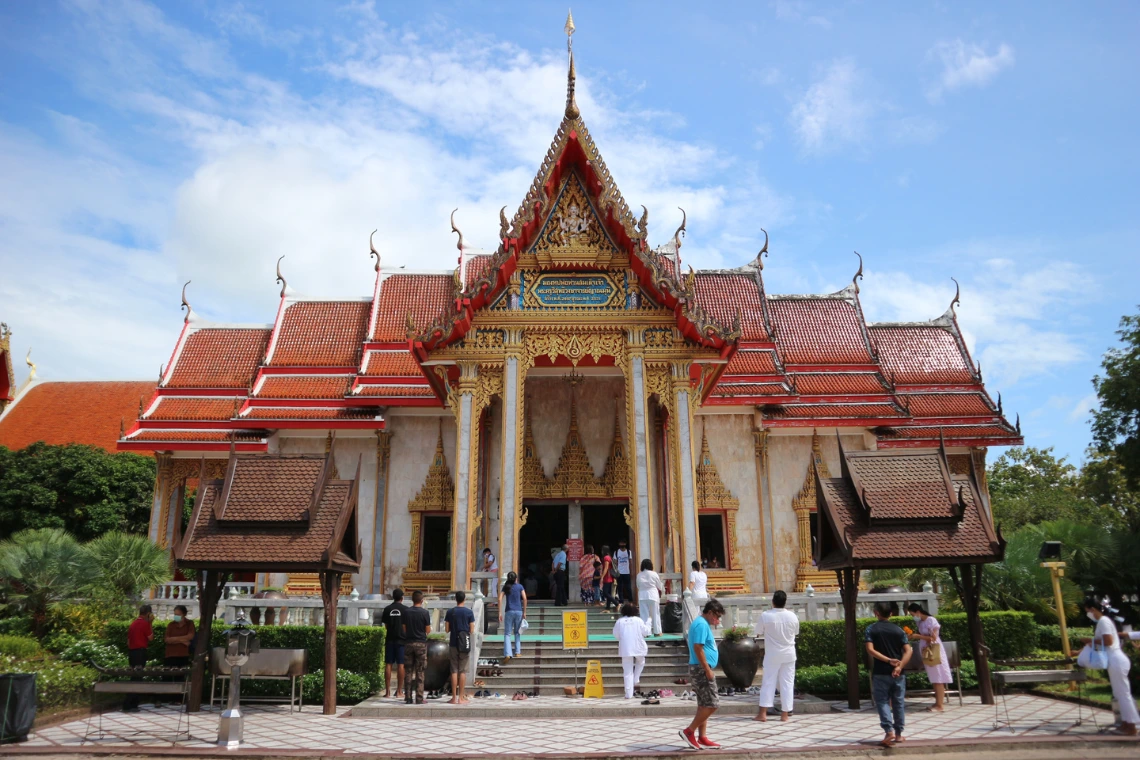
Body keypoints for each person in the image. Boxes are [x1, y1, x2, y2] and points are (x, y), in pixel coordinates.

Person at [1084, 598, 1138, 735]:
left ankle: (1131, 726)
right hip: (1114, 660)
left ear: (1092, 609)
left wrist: (1090, 640)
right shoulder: (1104, 622)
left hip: (1116, 660)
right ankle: (1126, 723)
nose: (1088, 614)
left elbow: (1108, 641)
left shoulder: (1103, 621)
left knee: (1123, 694)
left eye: (1087, 611)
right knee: (1120, 694)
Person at [865, 600, 912, 747]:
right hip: (898, 673)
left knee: (882, 701)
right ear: (891, 613)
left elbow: (870, 650)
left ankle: (888, 730)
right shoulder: (899, 630)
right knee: (898, 702)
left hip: (880, 672)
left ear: (876, 613)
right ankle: (898, 734)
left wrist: (887, 660)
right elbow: (909, 650)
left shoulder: (871, 629)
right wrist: (899, 665)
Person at [680, 598, 725, 750]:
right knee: (713, 704)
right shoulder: (700, 624)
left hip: (700, 668)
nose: (717, 620)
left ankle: (702, 737)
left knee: (704, 704)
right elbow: (698, 648)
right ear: (710, 612)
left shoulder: (702, 623)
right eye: (717, 616)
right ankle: (689, 731)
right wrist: (707, 670)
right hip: (701, 669)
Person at [755, 590, 799, 722]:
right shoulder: (792, 616)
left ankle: (763, 714)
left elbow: (758, 632)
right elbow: (796, 632)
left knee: (768, 682)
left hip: (773, 653)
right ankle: (785, 714)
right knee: (787, 683)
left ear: (773, 601)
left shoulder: (766, 615)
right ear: (785, 602)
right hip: (789, 653)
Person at [906, 602, 951, 712]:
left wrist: (918, 636)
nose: (913, 617)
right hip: (926, 651)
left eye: (913, 614)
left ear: (918, 612)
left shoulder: (931, 620)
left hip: (934, 651)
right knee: (934, 677)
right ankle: (937, 702)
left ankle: (940, 705)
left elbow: (933, 637)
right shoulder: (920, 622)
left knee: (938, 677)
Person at [613, 603, 651, 699]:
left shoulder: (619, 621)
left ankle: (628, 694)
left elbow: (616, 635)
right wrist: (649, 622)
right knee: (641, 661)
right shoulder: (638, 620)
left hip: (626, 648)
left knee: (627, 672)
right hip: (638, 647)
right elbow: (646, 632)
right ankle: (636, 678)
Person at [444, 590, 475, 705]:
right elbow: (471, 630)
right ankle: (461, 698)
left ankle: (453, 697)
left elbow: (447, 629)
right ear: (464, 599)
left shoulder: (450, 612)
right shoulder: (469, 612)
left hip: (453, 643)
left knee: (453, 670)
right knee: (462, 671)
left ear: (455, 599)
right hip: (464, 643)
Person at [123, 604, 154, 712]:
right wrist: (150, 623)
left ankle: (131, 703)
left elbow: (128, 641)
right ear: (148, 614)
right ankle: (130, 704)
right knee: (138, 678)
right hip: (140, 652)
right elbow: (151, 638)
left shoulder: (133, 623)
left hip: (132, 652)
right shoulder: (144, 624)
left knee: (134, 676)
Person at [402, 590, 432, 704]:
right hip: (420, 643)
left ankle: (408, 697)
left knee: (408, 671)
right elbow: (428, 630)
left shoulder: (406, 612)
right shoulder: (424, 613)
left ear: (412, 600)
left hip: (409, 643)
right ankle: (419, 697)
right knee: (420, 672)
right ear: (422, 600)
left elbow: (404, 628)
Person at [379, 588, 406, 699]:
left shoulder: (387, 609)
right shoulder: (405, 610)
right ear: (402, 598)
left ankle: (388, 692)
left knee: (388, 664)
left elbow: (386, 626)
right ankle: (399, 691)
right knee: (401, 664)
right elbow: (406, 627)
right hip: (401, 640)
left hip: (390, 639)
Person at [499, 571, 528, 659]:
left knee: (507, 633)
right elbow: (525, 598)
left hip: (509, 611)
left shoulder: (506, 587)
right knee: (517, 632)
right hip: (518, 611)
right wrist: (524, 612)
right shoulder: (520, 586)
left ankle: (508, 653)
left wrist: (499, 612)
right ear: (516, 578)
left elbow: (500, 599)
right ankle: (517, 652)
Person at [636, 558, 665, 636]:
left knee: (644, 614)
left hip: (642, 595)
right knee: (655, 614)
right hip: (652, 594)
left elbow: (638, 585)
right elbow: (659, 585)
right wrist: (663, 588)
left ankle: (646, 633)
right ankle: (657, 632)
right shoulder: (654, 574)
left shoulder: (639, 575)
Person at [163, 604, 195, 670]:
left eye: (178, 615)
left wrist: (173, 639)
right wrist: (182, 640)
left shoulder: (189, 624)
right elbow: (167, 639)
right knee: (167, 677)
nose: (176, 616)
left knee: (180, 677)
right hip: (170, 655)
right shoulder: (171, 625)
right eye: (175, 614)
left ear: (184, 614)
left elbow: (190, 636)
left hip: (183, 655)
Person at [614, 540, 633, 604]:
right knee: (620, 587)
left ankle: (630, 600)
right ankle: (621, 600)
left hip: (627, 572)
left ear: (625, 543)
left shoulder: (628, 552)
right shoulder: (616, 552)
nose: (622, 544)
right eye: (621, 543)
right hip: (619, 573)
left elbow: (630, 562)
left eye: (623, 543)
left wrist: (631, 571)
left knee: (628, 587)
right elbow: (615, 563)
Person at [599, 545, 616, 612]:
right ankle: (607, 608)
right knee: (608, 592)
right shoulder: (609, 557)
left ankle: (616, 603)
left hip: (607, 577)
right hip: (609, 577)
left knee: (605, 593)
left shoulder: (606, 558)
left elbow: (606, 568)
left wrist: (602, 577)